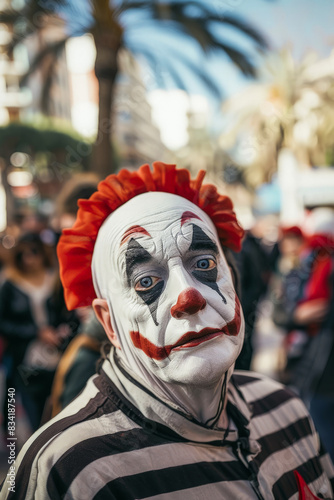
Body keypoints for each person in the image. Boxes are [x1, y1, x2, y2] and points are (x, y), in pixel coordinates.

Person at [1, 163, 333, 500]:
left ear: (232, 278)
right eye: (146, 282)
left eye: (204, 264)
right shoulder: (69, 472)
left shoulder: (287, 410)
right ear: (109, 322)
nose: (188, 298)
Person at [0, 232, 80, 432]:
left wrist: (61, 332)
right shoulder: (10, 283)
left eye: (33, 252)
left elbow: (68, 312)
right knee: (33, 410)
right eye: (23, 254)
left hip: (59, 354)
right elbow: (3, 322)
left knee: (62, 407)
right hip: (26, 359)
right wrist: (36, 332)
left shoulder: (54, 279)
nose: (29, 258)